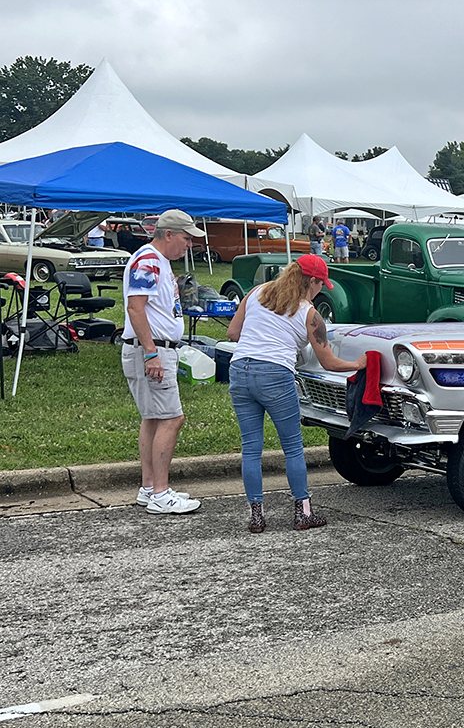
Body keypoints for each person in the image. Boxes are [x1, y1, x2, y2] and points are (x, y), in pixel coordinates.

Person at [226, 254, 366, 533]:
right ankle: (303, 512)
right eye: (320, 284)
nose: (322, 289)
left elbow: (233, 333)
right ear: (311, 281)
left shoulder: (256, 292)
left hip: (239, 370)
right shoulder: (310, 314)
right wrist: (358, 364)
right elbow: (329, 363)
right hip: (275, 374)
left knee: (251, 448)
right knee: (292, 446)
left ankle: (256, 516)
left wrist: (262, 339)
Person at [121, 209, 206, 515]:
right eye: (186, 238)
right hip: (152, 349)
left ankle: (149, 488)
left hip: (153, 348)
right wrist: (151, 352)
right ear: (168, 234)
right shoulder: (148, 260)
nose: (189, 245)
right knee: (172, 418)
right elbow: (135, 308)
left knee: (154, 418)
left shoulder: (157, 261)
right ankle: (160, 492)